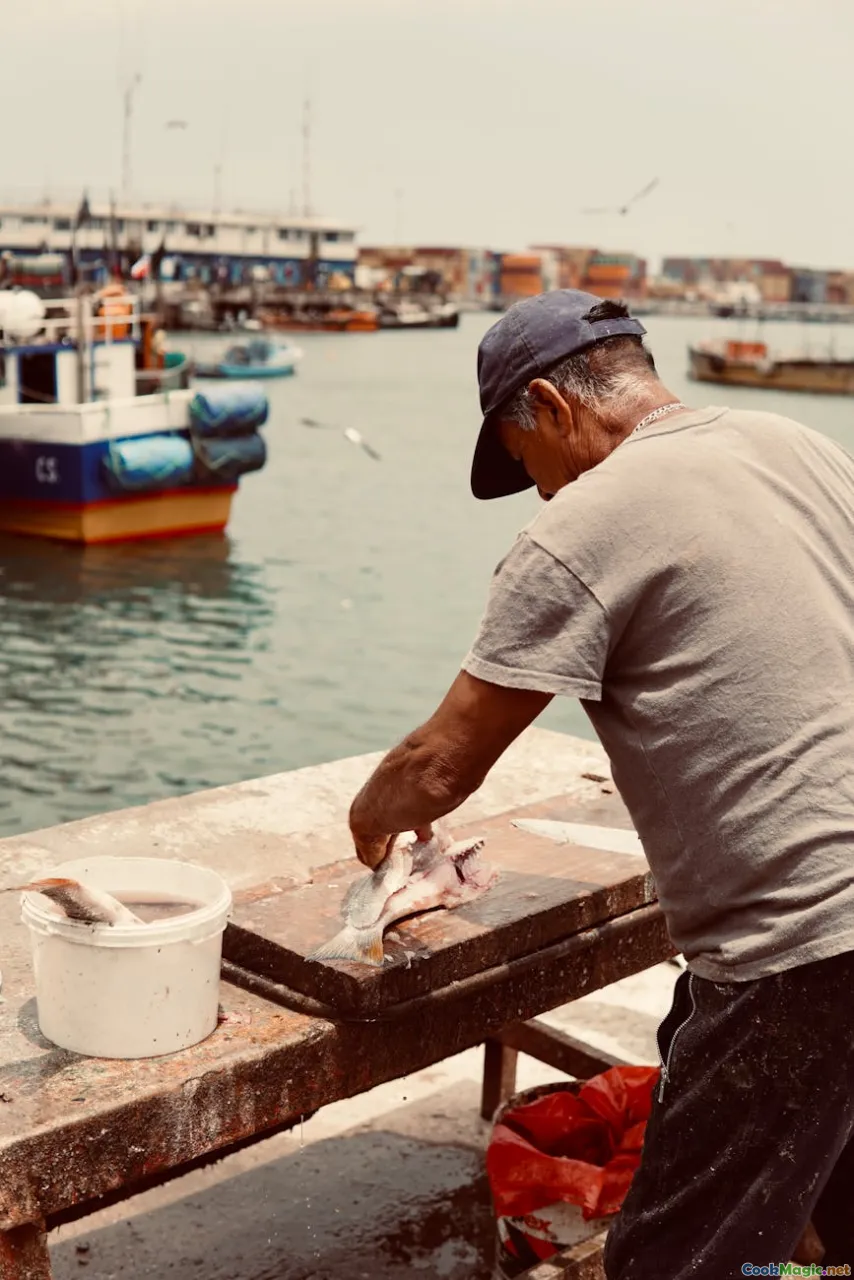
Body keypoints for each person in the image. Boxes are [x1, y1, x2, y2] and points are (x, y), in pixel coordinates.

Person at [347, 289, 854, 1276]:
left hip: (801, 948)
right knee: (818, 1202)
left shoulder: (581, 522)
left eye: (525, 462)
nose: (539, 492)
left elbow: (441, 763)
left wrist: (371, 818)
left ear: (548, 403)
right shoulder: (798, 448)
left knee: (667, 1257)